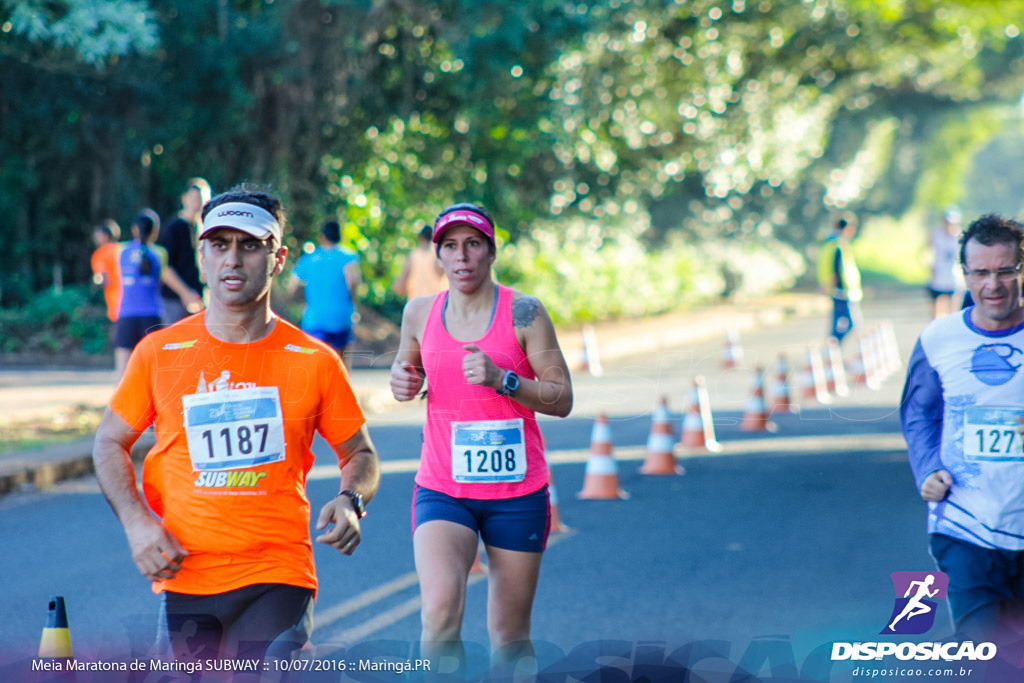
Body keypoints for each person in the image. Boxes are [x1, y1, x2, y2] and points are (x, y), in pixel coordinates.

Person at [92, 185, 381, 666]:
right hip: (188, 573)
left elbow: (361, 454)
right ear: (201, 253)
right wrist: (138, 524)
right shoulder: (159, 353)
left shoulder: (314, 361)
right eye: (219, 244)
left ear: (278, 257)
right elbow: (108, 442)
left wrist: (351, 500)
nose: (233, 259)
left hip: (278, 571)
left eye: (250, 245)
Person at [390, 202, 573, 677]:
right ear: (438, 257)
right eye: (450, 246)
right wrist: (402, 382)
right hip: (443, 488)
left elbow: (562, 397)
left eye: (473, 244)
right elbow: (409, 371)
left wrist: (504, 380)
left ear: (492, 251)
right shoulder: (418, 312)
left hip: (517, 493)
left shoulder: (526, 312)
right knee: (439, 614)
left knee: (509, 634)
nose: (462, 257)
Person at [900, 213, 1024, 646]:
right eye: (981, 273)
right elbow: (920, 413)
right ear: (965, 275)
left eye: (1005, 271)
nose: (993, 285)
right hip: (965, 525)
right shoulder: (939, 338)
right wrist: (928, 467)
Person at [114, 210, 202, 381]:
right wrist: (187, 294)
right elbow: (166, 278)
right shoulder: (160, 254)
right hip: (152, 315)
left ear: (134, 230)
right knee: (153, 369)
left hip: (126, 314)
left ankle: (119, 406)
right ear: (155, 232)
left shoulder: (120, 251)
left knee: (122, 370)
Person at [291, 219, 362, 356]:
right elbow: (353, 285)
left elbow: (292, 287)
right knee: (340, 362)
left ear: (321, 237)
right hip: (341, 317)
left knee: (314, 360)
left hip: (314, 318)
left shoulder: (308, 259)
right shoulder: (349, 257)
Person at [157, 177, 211, 325]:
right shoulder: (174, 228)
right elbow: (164, 267)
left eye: (202, 199)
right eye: (194, 198)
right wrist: (185, 293)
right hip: (174, 300)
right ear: (184, 199)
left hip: (199, 299)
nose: (198, 202)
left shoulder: (204, 228)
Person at [816, 216, 863, 344]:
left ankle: (831, 349)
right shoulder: (838, 245)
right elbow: (835, 269)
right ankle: (832, 347)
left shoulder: (832, 243)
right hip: (842, 291)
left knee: (838, 323)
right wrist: (830, 285)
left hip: (840, 291)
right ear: (847, 228)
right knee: (851, 323)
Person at [926, 207, 965, 319]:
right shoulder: (936, 234)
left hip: (954, 277)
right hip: (938, 277)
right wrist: (929, 265)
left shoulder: (960, 236)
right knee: (935, 313)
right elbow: (926, 251)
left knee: (954, 312)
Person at [392, 224, 447, 299]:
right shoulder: (438, 257)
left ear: (420, 238)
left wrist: (410, 288)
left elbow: (398, 287)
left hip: (416, 305)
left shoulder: (412, 256)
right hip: (436, 305)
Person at [90, 219, 122, 326]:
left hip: (116, 305)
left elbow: (102, 279)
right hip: (134, 304)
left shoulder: (101, 254)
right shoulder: (124, 249)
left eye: (97, 235)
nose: (95, 238)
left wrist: (94, 283)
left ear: (105, 236)